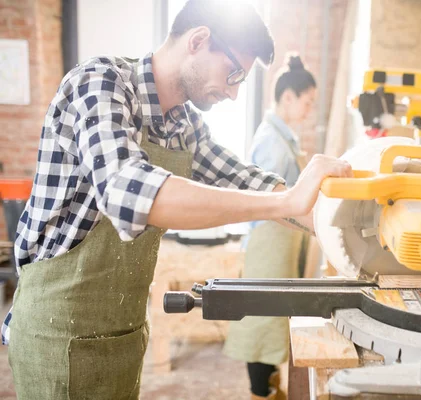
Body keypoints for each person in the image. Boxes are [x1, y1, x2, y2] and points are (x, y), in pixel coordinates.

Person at [1, 1, 351, 399]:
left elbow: (247, 181)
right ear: (198, 40)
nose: (235, 94)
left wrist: (339, 224)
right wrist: (286, 202)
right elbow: (129, 191)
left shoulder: (185, 125)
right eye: (233, 73)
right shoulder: (100, 84)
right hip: (55, 329)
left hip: (121, 335)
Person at [223, 54, 317, 400]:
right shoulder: (272, 141)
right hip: (269, 239)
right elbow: (260, 198)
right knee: (261, 318)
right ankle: (258, 393)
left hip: (282, 240)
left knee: (273, 316)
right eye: (307, 102)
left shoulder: (285, 138)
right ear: (288, 97)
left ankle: (269, 387)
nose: (309, 110)